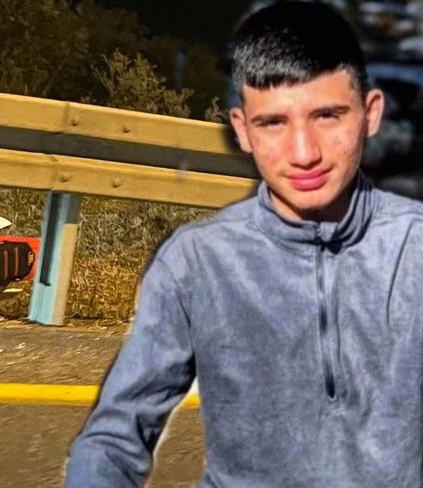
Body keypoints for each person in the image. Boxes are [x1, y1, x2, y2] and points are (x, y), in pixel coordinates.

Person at [64, 2, 423, 486]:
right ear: (242, 130)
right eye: (273, 123)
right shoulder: (196, 263)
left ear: (370, 114)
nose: (304, 153)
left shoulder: (414, 248)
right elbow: (114, 438)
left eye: (327, 116)